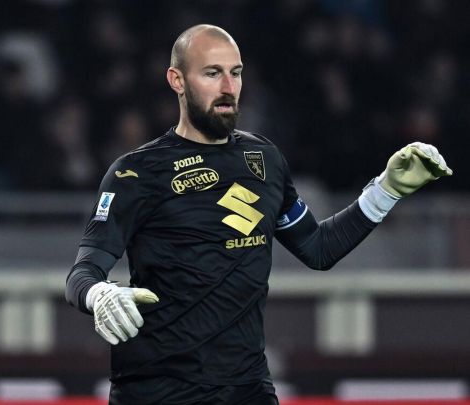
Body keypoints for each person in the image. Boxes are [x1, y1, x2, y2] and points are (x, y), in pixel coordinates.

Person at [65, 24, 452, 405]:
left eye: (235, 73)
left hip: (246, 389)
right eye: (212, 73)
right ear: (177, 80)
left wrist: (386, 191)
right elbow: (82, 274)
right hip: (157, 392)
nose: (228, 87)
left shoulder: (263, 159)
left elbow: (318, 248)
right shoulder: (135, 173)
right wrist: (99, 294)